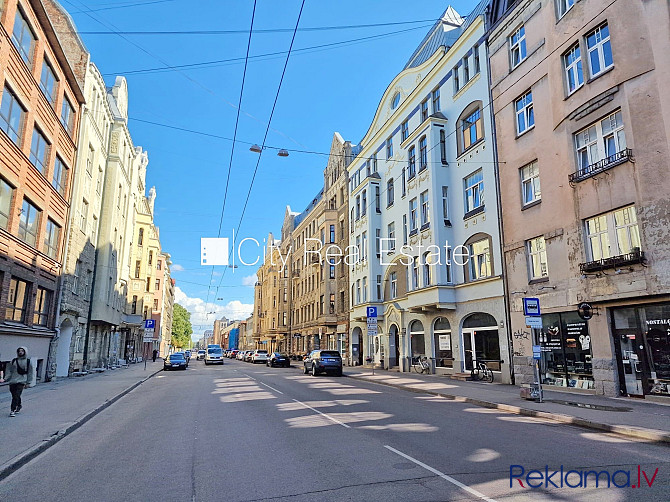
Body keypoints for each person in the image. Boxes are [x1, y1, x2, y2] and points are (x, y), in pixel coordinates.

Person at [2, 347, 34, 417]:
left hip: (22, 381)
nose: (20, 352)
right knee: (15, 395)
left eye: (22, 351)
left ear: (25, 352)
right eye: (19, 351)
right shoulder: (13, 361)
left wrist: (28, 382)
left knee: (16, 395)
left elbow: (30, 372)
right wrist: (5, 379)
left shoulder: (28, 362)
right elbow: (9, 371)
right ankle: (19, 405)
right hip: (13, 381)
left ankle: (12, 410)